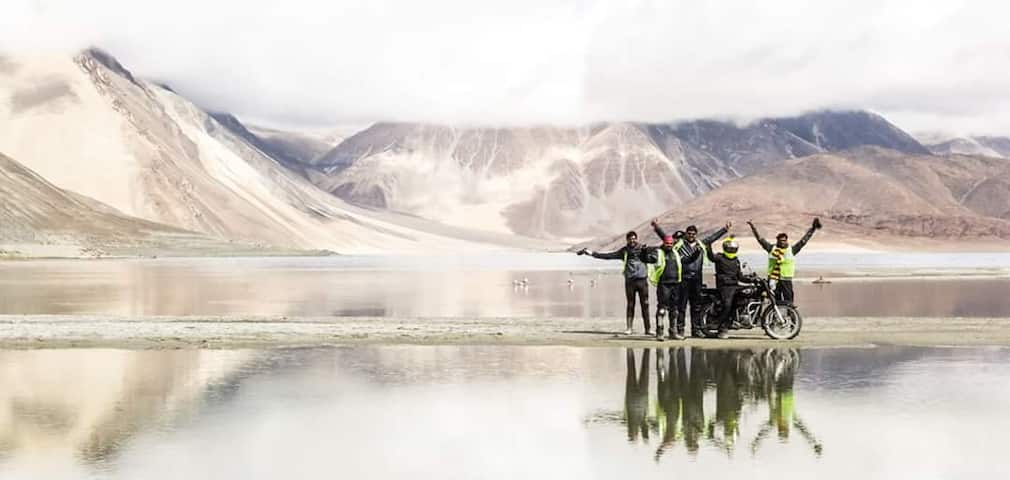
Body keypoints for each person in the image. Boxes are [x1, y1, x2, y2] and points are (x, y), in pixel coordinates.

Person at [652, 220, 729, 338]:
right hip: (683, 279)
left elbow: (712, 237)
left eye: (693, 234)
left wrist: (725, 229)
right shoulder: (678, 244)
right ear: (686, 234)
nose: (691, 235)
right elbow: (665, 237)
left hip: (697, 278)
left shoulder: (701, 244)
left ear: (696, 234)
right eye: (689, 233)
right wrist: (656, 226)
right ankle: (680, 329)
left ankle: (696, 329)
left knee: (696, 305)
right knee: (681, 306)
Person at [578, 231, 653, 335]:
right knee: (630, 304)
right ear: (627, 240)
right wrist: (591, 253)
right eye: (630, 239)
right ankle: (629, 328)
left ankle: (648, 329)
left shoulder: (643, 249)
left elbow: (657, 253)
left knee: (645, 304)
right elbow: (609, 256)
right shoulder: (624, 251)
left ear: (637, 239)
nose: (632, 240)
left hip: (642, 281)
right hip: (630, 281)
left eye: (634, 238)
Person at [747, 218, 822, 305]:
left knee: (789, 301)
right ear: (777, 241)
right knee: (775, 302)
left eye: (784, 240)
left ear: (787, 240)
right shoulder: (771, 248)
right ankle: (774, 317)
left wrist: (812, 229)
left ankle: (790, 316)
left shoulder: (792, 250)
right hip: (774, 280)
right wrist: (753, 227)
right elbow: (760, 239)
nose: (783, 242)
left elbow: (803, 241)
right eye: (781, 240)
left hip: (786, 280)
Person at [644, 231, 702, 340]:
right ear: (664, 243)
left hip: (676, 284)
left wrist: (697, 253)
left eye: (671, 243)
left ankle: (673, 332)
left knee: (674, 309)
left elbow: (688, 260)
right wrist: (643, 252)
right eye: (667, 243)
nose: (669, 245)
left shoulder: (676, 253)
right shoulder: (659, 253)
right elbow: (647, 259)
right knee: (662, 308)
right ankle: (660, 332)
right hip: (664, 285)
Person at [703, 225, 748, 339]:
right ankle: (721, 327)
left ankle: (737, 320)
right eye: (730, 248)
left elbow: (740, 276)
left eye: (733, 248)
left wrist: (752, 279)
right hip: (725, 287)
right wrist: (708, 245)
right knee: (727, 305)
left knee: (746, 298)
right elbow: (710, 256)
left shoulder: (736, 260)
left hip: (734, 285)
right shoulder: (719, 257)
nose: (731, 250)